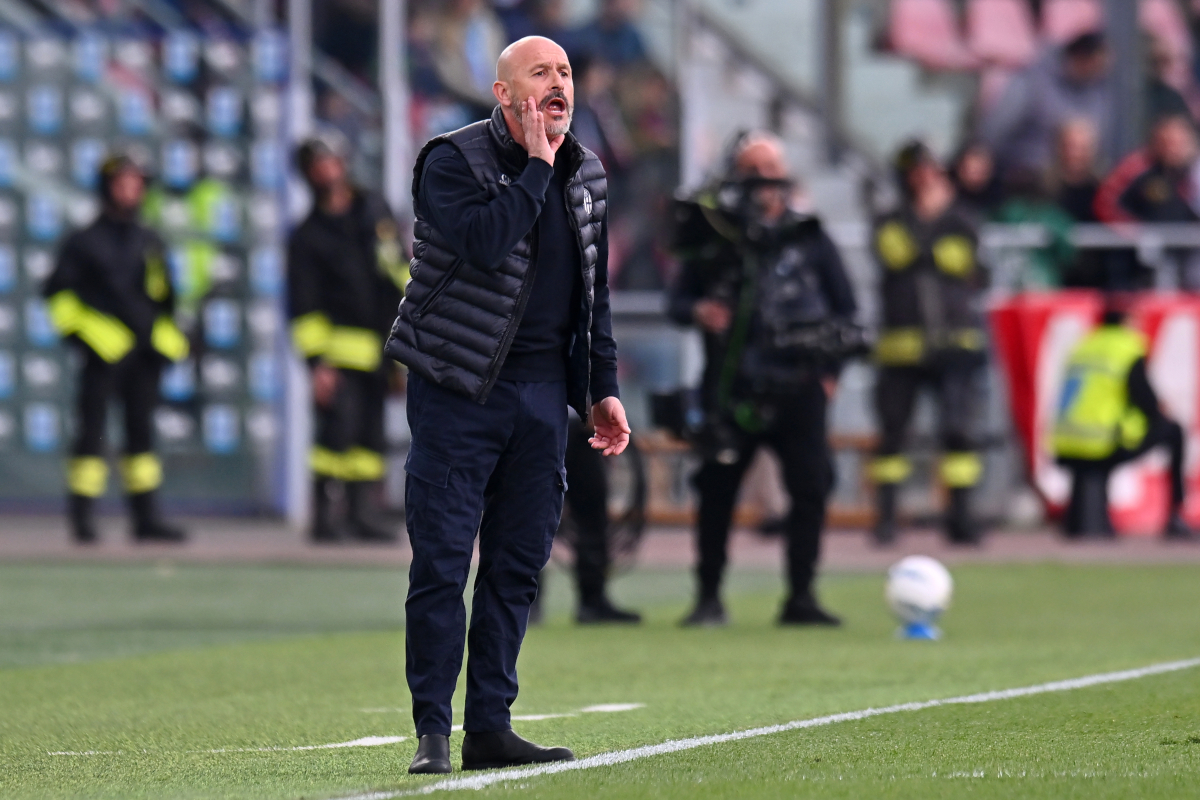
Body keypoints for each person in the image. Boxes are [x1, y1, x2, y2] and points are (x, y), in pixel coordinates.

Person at [385, 36, 629, 774]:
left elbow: (595, 295)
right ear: (502, 94)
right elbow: (488, 244)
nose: (557, 84)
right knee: (443, 562)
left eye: (564, 73)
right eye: (539, 74)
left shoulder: (585, 171)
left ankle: (490, 724)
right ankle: (433, 728)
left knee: (518, 566)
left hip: (544, 399)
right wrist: (533, 168)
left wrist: (602, 389)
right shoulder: (451, 162)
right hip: (460, 390)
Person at [668, 132, 858, 628]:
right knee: (716, 488)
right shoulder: (715, 236)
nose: (763, 182)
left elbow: (847, 309)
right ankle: (708, 595)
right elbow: (677, 301)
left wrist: (829, 373)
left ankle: (802, 595)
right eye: (752, 170)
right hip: (733, 385)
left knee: (810, 487)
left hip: (799, 384)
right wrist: (701, 311)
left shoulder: (810, 236)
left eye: (770, 168)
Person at [43, 154, 191, 544]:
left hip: (143, 357)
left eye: (137, 183)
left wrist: (165, 338)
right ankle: (83, 518)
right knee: (91, 435)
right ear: (107, 186)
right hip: (101, 357)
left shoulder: (149, 240)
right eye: (123, 182)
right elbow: (59, 300)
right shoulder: (83, 241)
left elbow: (165, 297)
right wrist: (97, 336)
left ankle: (146, 517)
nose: (131, 190)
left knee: (141, 436)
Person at [287, 134, 407, 544]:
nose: (326, 170)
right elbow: (303, 307)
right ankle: (323, 517)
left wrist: (402, 350)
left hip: (379, 347)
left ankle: (361, 514)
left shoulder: (374, 212)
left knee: (369, 438)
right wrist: (317, 364)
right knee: (333, 437)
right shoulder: (306, 236)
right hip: (336, 353)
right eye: (316, 165)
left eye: (330, 160)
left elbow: (397, 276)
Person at [869, 141, 987, 547]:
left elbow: (958, 259)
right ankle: (886, 518)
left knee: (958, 434)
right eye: (919, 171)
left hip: (955, 342)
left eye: (932, 170)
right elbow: (897, 254)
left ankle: (962, 517)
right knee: (892, 436)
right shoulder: (890, 219)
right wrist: (930, 241)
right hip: (901, 347)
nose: (927, 179)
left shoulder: (962, 219)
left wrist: (931, 237)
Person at [1052, 303, 1194, 540]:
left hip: (1065, 441)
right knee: (1174, 431)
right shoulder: (1126, 348)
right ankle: (1175, 515)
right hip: (1100, 440)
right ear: (1126, 322)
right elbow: (1145, 400)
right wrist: (1160, 413)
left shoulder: (1085, 346)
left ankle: (1079, 520)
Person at [981, 31, 1116, 175]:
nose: (1100, 73)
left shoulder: (1097, 91)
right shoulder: (1031, 81)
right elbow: (994, 130)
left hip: (1076, 181)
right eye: (1097, 65)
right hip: (1027, 177)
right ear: (1082, 57)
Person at [1115, 114, 1200, 289]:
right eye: (1167, 142)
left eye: (1179, 142)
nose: (1173, 148)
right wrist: (1136, 232)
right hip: (1153, 257)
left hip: (1191, 252)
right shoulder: (1140, 168)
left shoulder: (1193, 172)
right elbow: (1108, 204)